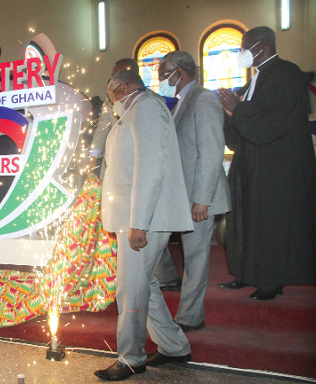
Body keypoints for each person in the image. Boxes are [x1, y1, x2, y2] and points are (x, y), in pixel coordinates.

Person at [94, 69, 193, 381]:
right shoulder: (134, 111)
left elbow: (150, 168)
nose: (110, 100)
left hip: (143, 219)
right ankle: (174, 346)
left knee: (130, 289)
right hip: (135, 216)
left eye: (110, 93)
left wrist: (140, 223)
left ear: (123, 87)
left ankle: (131, 356)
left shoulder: (146, 108)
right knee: (145, 285)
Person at [217, 26, 316, 300]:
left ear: (261, 45)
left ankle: (271, 280)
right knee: (245, 219)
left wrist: (237, 109)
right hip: (250, 161)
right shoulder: (256, 78)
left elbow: (270, 119)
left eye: (244, 47)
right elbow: (247, 114)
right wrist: (232, 111)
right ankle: (247, 273)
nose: (241, 54)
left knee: (270, 222)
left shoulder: (286, 73)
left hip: (274, 165)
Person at [153, 51, 230, 332]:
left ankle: (190, 317)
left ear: (180, 72)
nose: (161, 80)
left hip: (199, 197)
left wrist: (202, 199)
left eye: (164, 74)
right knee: (189, 255)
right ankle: (187, 314)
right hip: (183, 195)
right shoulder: (182, 101)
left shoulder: (203, 98)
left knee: (196, 258)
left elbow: (211, 151)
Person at [85, 59, 139, 175]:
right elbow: (103, 127)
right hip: (114, 163)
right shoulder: (110, 99)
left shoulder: (151, 101)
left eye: (117, 75)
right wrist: (93, 157)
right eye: (113, 75)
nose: (113, 79)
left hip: (136, 164)